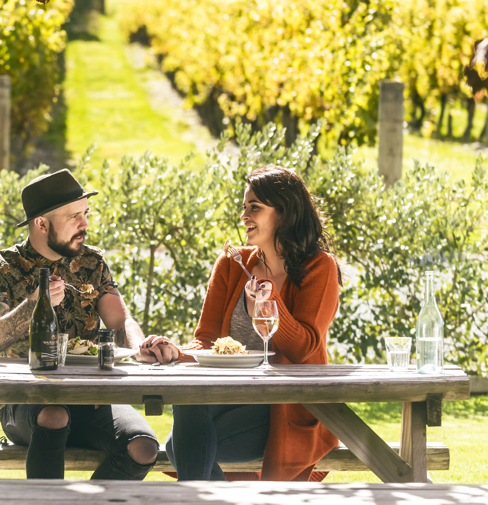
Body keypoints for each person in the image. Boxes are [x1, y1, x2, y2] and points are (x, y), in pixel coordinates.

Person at [136, 164, 341, 481]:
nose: (244, 216)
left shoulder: (319, 267)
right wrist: (175, 351)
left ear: (284, 212)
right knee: (188, 399)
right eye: (244, 207)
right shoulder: (232, 266)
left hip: (283, 410)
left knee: (182, 449)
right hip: (227, 402)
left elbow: (303, 348)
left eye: (254, 208)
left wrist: (269, 302)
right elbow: (207, 343)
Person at [0, 168, 159, 480]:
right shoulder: (3, 268)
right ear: (41, 223)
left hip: (91, 399)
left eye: (86, 214)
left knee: (143, 447)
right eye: (74, 216)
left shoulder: (92, 263)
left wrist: (140, 346)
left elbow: (121, 321)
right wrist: (33, 304)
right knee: (54, 414)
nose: (85, 225)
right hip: (25, 401)